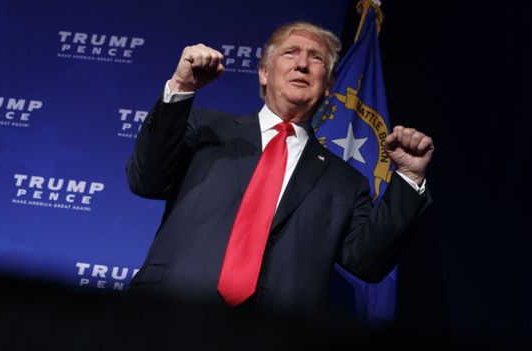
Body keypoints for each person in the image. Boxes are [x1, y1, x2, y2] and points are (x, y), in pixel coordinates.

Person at [126, 21, 434, 315]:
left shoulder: (346, 182)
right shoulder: (204, 128)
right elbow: (146, 180)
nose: (302, 64)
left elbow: (368, 262)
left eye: (316, 59)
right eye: (291, 53)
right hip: (170, 316)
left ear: (328, 87)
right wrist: (181, 87)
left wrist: (410, 177)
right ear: (262, 72)